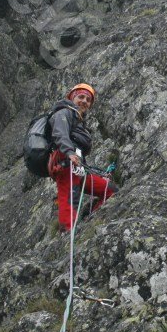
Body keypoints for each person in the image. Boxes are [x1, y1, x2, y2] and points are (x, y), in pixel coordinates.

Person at [47, 83, 116, 231]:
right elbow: (60, 133)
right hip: (66, 163)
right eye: (81, 97)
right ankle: (66, 238)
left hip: (78, 167)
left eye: (88, 99)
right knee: (69, 205)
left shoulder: (78, 121)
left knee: (110, 190)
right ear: (72, 97)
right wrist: (70, 152)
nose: (85, 101)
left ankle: (90, 221)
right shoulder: (64, 112)